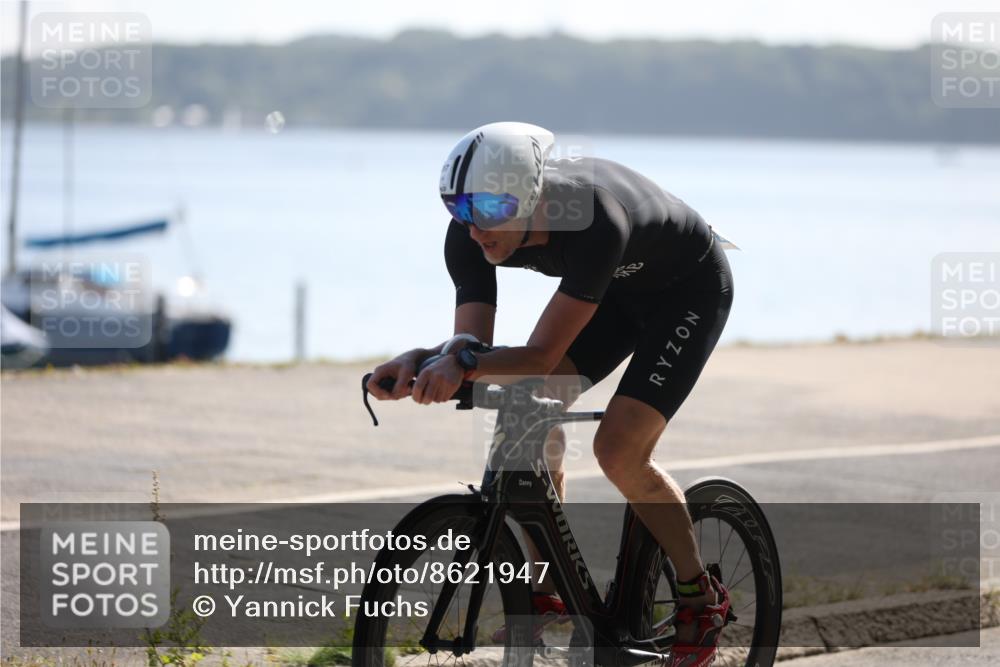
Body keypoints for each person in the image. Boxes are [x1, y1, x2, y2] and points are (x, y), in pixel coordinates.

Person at [367, 121, 734, 667]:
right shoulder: (470, 234)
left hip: (687, 293)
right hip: (612, 294)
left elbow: (538, 357)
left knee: (618, 449)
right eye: (458, 207)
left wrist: (458, 364)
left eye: (488, 208)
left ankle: (698, 599)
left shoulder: (595, 220)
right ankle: (546, 594)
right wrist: (422, 359)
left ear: (531, 196)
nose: (473, 227)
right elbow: (473, 345)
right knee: (528, 411)